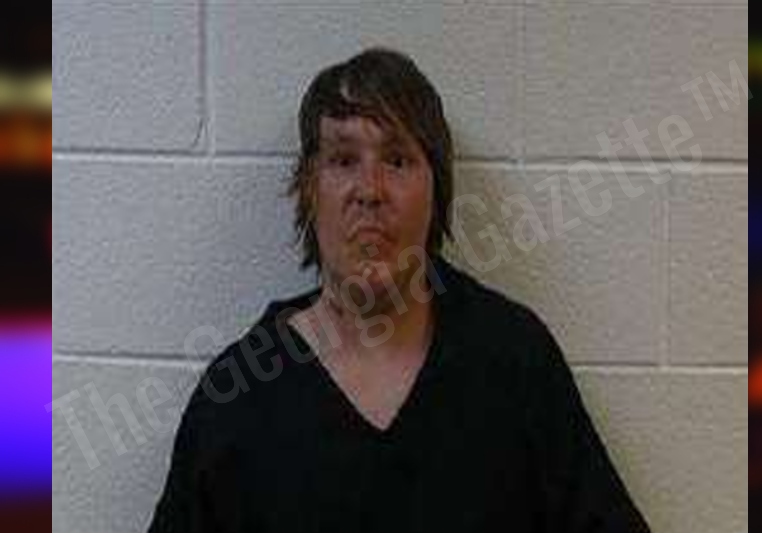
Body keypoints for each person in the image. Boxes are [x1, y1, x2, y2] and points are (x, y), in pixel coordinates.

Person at [148, 47, 651, 533]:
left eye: (397, 160)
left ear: (437, 189)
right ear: (309, 189)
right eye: (343, 160)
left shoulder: (514, 362)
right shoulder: (239, 395)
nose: (370, 190)